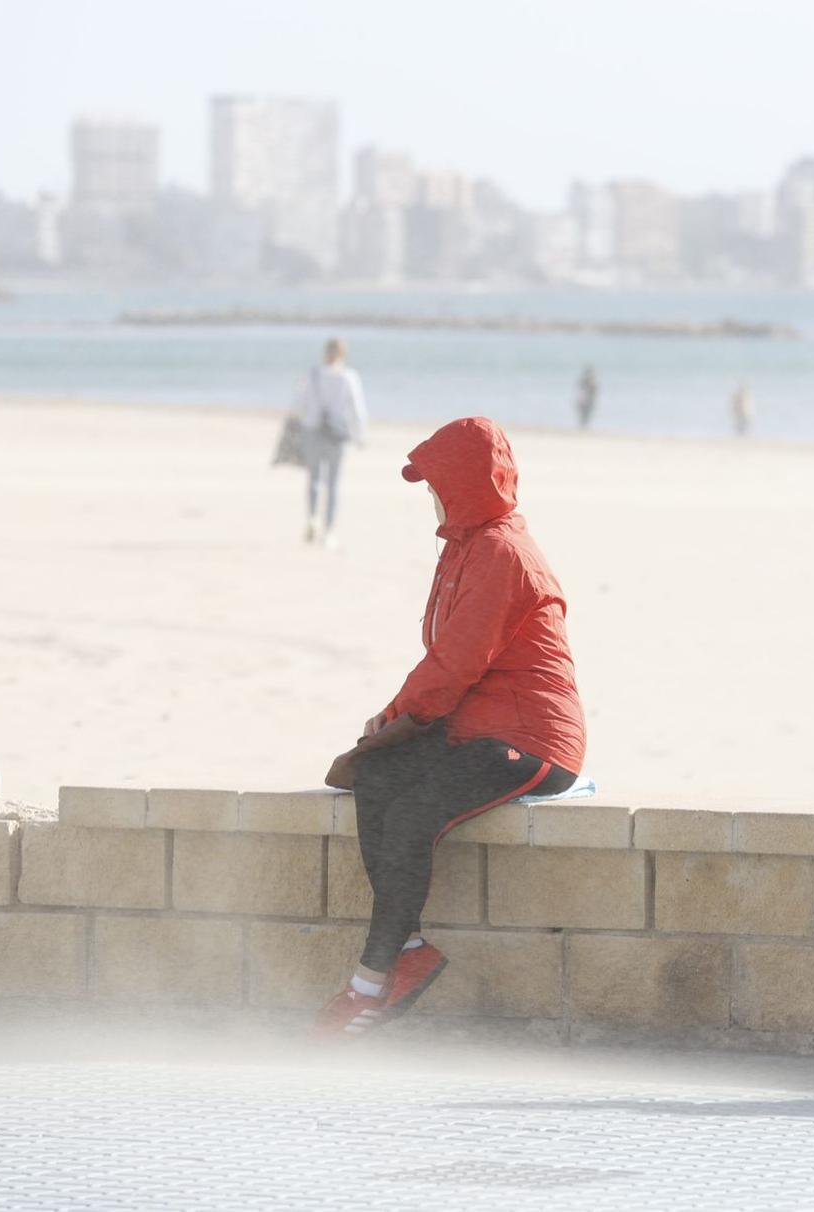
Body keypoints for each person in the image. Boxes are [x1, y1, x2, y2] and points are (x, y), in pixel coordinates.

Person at [315, 417, 586, 1038]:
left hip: (531, 741)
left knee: (413, 812)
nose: (431, 497)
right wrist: (386, 735)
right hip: (478, 732)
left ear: (464, 484)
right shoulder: (468, 547)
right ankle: (406, 947)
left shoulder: (502, 554)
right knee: (379, 776)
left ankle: (371, 982)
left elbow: (456, 662)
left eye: (437, 483)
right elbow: (448, 666)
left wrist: (392, 719)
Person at [295, 338, 368, 548]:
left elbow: (300, 402)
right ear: (343, 354)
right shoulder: (348, 377)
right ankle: (329, 531)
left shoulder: (313, 374)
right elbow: (357, 408)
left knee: (314, 479)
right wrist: (360, 436)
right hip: (337, 435)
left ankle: (312, 518)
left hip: (313, 431)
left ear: (325, 353)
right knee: (334, 484)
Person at [575, 365, 598, 430]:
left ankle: (583, 427)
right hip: (585, 400)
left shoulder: (586, 381)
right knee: (584, 415)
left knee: (585, 415)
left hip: (586, 400)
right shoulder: (589, 382)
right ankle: (583, 427)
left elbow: (594, 392)